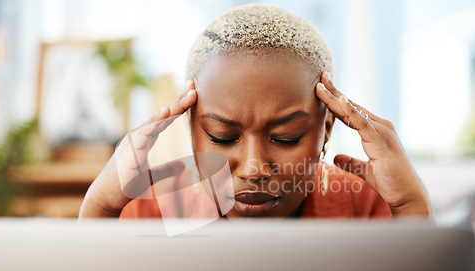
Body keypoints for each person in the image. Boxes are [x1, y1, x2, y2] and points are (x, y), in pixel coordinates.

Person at [79, 4, 433, 220]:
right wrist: (101, 206)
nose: (254, 168)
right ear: (190, 127)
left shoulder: (364, 204)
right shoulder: (161, 206)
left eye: (286, 137)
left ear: (326, 130)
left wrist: (410, 205)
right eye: (222, 136)